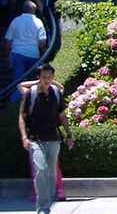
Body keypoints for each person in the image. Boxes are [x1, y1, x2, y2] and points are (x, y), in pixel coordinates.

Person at [19, 64, 73, 214]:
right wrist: (24, 136)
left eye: (50, 77)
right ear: (39, 78)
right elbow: (22, 117)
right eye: (44, 77)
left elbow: (62, 117)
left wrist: (69, 135)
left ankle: (46, 203)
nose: (47, 80)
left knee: (50, 173)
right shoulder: (30, 94)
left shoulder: (57, 93)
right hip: (35, 139)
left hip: (54, 139)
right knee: (40, 170)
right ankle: (43, 208)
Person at [5, 1, 47, 102]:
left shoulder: (15, 21)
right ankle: (32, 100)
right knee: (32, 81)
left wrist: (8, 56)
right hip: (33, 55)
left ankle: (15, 102)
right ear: (34, 10)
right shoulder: (38, 22)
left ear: (23, 9)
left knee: (18, 80)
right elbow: (42, 42)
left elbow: (8, 40)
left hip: (17, 54)